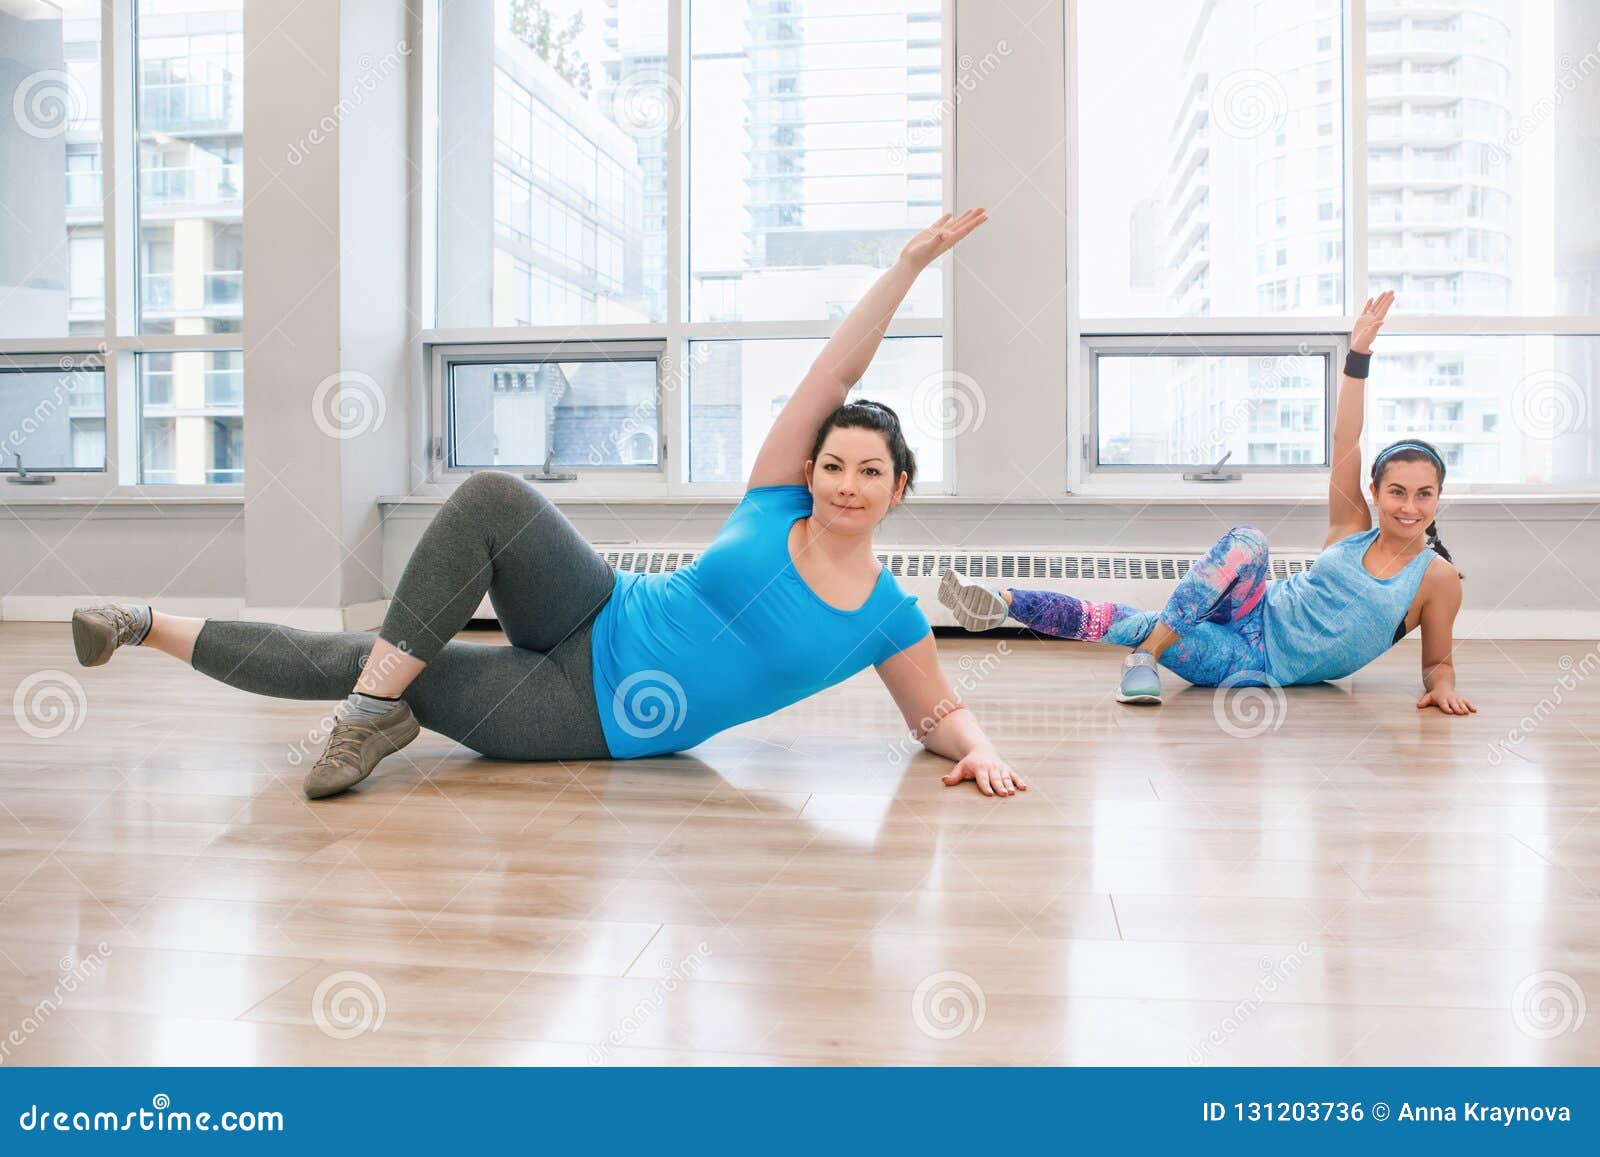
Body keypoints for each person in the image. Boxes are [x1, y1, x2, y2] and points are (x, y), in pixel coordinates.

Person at [71, 209, 1031, 798]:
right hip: (596, 603)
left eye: (870, 472)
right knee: (493, 494)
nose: (845, 484)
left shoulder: (889, 618)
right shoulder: (776, 497)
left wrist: (977, 749)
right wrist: (904, 269)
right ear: (811, 467)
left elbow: (936, 711)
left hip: (589, 712)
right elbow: (836, 368)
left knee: (365, 662)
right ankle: (371, 710)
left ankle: (147, 623)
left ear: (899, 489)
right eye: (835, 464)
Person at [940, 290, 1476, 715]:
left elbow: (1437, 664)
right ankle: (1143, 659)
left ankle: (1003, 600)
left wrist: (1442, 688)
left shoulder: (1437, 579)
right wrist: (1357, 355)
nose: (1409, 507)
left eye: (1423, 494)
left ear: (1438, 500)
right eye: (1397, 492)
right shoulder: (1352, 525)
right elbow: (1346, 443)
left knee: (1129, 623)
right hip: (1253, 604)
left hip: (1254, 663)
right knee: (1248, 541)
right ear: (1377, 495)